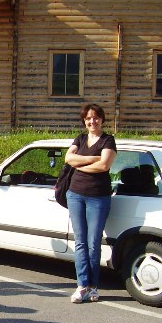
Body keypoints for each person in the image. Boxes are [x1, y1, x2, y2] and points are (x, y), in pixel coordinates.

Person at [64, 103, 117, 303]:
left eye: (95, 117)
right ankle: (82, 285)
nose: (92, 121)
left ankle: (94, 287)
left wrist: (82, 163)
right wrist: (92, 159)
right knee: (80, 242)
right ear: (84, 121)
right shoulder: (80, 138)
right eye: (88, 118)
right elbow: (69, 158)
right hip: (75, 195)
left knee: (93, 243)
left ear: (102, 119)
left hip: (98, 197)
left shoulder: (108, 140)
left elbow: (104, 165)